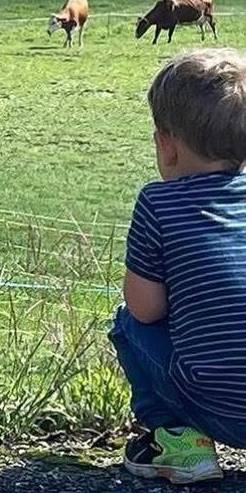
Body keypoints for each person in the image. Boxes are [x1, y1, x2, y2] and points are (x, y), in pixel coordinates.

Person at [112, 49, 246, 484]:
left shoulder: (159, 203)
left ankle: (180, 442)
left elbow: (145, 309)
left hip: (222, 410)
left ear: (166, 146)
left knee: (127, 325)